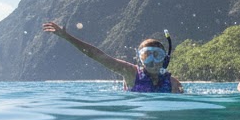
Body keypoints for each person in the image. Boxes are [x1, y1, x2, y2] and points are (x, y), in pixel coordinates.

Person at [42, 21, 183, 92]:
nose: (152, 61)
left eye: (157, 55)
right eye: (147, 55)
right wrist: (67, 37)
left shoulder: (173, 83)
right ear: (140, 58)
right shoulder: (130, 73)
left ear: (164, 58)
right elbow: (97, 55)